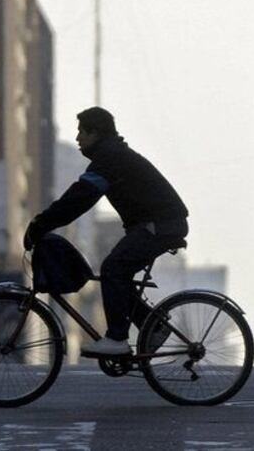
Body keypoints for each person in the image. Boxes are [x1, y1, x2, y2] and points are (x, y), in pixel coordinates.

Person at [24, 107, 188, 358]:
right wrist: (45, 222)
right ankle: (151, 326)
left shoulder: (110, 158)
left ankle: (117, 339)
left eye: (82, 132)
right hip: (156, 224)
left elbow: (80, 198)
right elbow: (79, 198)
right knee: (118, 274)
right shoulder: (111, 156)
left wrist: (40, 224)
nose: (78, 138)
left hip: (160, 225)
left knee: (113, 269)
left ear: (95, 133)